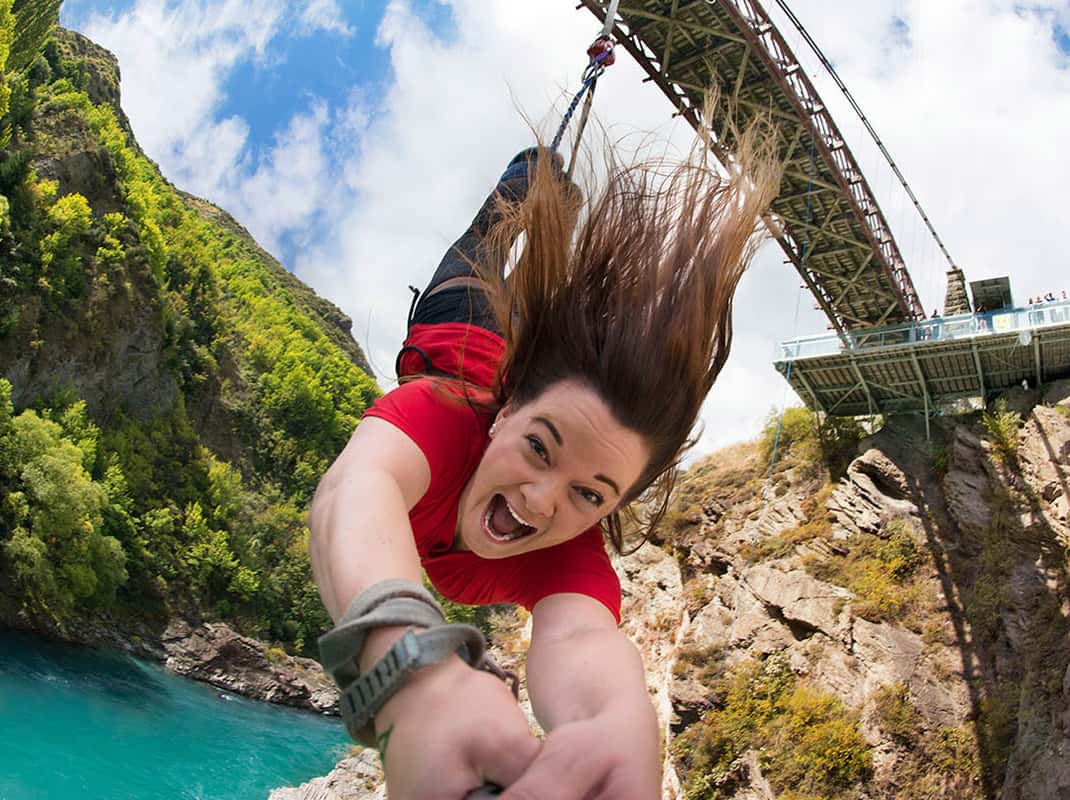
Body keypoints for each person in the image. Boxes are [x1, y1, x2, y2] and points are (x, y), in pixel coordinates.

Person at [308, 120, 779, 800]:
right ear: (504, 414)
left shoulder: (570, 554)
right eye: (538, 447)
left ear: (611, 509)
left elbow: (582, 639)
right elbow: (354, 489)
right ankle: (534, 177)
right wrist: (411, 672)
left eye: (592, 494)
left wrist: (617, 721)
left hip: (524, 363)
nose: (537, 501)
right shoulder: (438, 419)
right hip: (455, 325)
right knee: (491, 237)